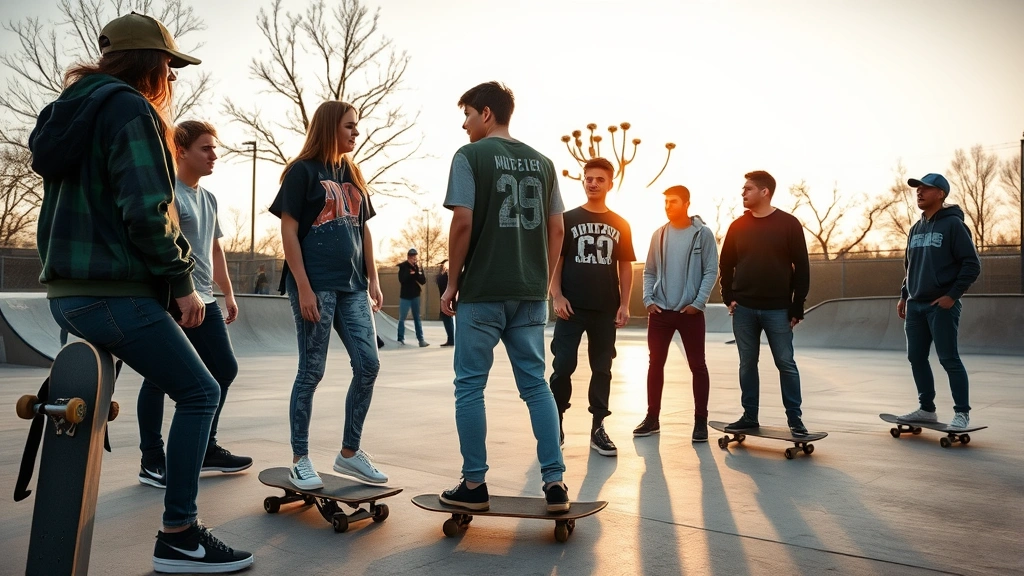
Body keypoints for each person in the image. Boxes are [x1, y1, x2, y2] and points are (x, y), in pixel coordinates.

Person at [29, 12, 252, 573]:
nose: (172, 80)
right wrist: (182, 284)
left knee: (88, 409)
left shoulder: (67, 112)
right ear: (150, 64)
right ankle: (179, 533)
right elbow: (149, 212)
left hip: (67, 294)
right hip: (115, 291)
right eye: (170, 68)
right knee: (200, 392)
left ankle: (63, 540)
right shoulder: (131, 109)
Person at [439, 81, 569, 513]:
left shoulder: (469, 157)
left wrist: (453, 281)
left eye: (469, 115)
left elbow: (462, 222)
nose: (465, 124)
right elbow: (557, 230)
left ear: (487, 114)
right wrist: (541, 280)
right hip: (529, 294)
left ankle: (474, 484)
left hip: (483, 291)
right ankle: (555, 482)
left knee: (470, 386)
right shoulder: (545, 162)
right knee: (536, 386)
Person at [269, 100, 388, 490]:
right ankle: (300, 459)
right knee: (312, 370)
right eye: (350, 126)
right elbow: (288, 230)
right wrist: (302, 285)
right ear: (329, 127)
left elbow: (363, 228)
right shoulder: (301, 172)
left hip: (352, 285)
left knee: (368, 364)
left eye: (357, 126)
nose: (356, 133)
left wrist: (373, 277)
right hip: (315, 285)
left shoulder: (352, 172)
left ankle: (349, 453)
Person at [137, 120, 252, 491]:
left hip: (205, 296)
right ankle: (153, 459)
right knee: (157, 380)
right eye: (206, 148)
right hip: (173, 296)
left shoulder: (208, 198)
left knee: (224, 369)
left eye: (215, 148)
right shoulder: (168, 192)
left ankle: (204, 449)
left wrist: (228, 292)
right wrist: (175, 291)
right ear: (181, 151)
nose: (214, 155)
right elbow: (159, 244)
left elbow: (214, 249)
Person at [548, 157, 634, 457]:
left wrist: (624, 303)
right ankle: (554, 424)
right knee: (563, 366)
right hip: (570, 308)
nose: (593, 183)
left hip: (605, 310)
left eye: (599, 179)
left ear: (611, 183)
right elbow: (555, 262)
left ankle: (598, 428)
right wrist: (556, 296)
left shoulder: (621, 223)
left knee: (602, 369)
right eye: (588, 178)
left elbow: (625, 266)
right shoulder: (567, 218)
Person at [719, 170, 811, 435]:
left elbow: (802, 267)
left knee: (785, 363)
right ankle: (749, 416)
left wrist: (797, 305)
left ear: (764, 192)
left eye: (747, 189)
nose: (743, 193)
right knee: (747, 363)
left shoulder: (788, 224)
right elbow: (726, 263)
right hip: (744, 308)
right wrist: (728, 297)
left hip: (778, 309)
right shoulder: (738, 225)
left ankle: (795, 419)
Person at [896, 173, 981, 431]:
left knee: (948, 359)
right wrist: (904, 295)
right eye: (917, 189)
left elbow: (972, 264)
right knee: (916, 357)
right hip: (916, 305)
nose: (919, 192)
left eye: (926, 189)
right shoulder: (915, 228)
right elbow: (910, 267)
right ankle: (926, 409)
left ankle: (962, 414)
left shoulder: (954, 226)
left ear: (941, 194)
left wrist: (952, 295)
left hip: (941, 306)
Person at [635, 185, 718, 442]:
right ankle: (652, 419)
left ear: (686, 203)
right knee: (655, 365)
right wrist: (648, 299)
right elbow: (649, 270)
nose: (668, 206)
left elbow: (710, 271)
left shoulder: (702, 234)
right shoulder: (658, 234)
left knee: (698, 366)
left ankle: (700, 421)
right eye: (666, 202)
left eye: (673, 201)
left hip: (690, 312)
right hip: (660, 311)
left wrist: (698, 302)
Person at [396, 248, 429, 346]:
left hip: (415, 295)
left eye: (415, 257)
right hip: (405, 296)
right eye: (412, 257)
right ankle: (400, 338)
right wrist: (410, 273)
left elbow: (423, 281)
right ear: (408, 257)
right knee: (402, 318)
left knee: (417, 318)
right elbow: (402, 279)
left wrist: (416, 273)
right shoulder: (403, 267)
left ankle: (421, 339)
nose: (414, 258)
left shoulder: (417, 267)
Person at [436, 259, 455, 346]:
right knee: (448, 320)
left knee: (447, 319)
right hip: (449, 299)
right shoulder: (448, 277)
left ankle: (451, 339)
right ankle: (451, 339)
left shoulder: (445, 277)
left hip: (447, 300)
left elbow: (438, 279)